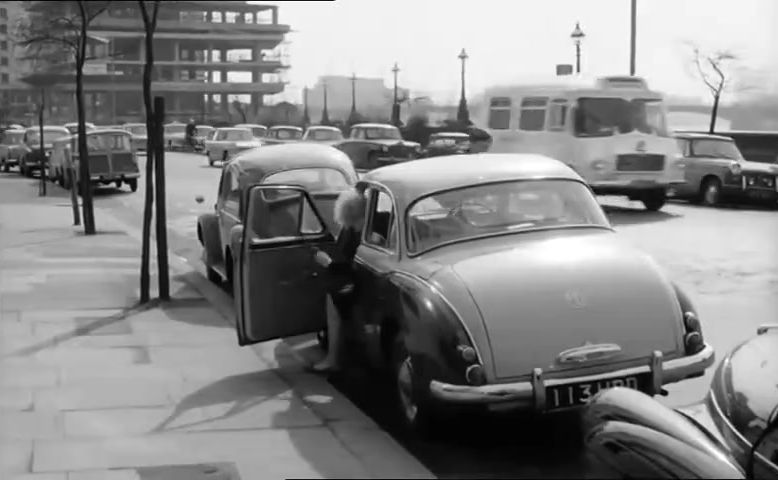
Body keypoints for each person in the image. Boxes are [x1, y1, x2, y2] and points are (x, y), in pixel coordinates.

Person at [309, 187, 367, 373]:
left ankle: (333, 358)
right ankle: (335, 351)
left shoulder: (361, 233)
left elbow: (355, 265)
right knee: (332, 290)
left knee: (333, 298)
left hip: (362, 282)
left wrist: (328, 263)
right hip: (359, 279)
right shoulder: (363, 228)